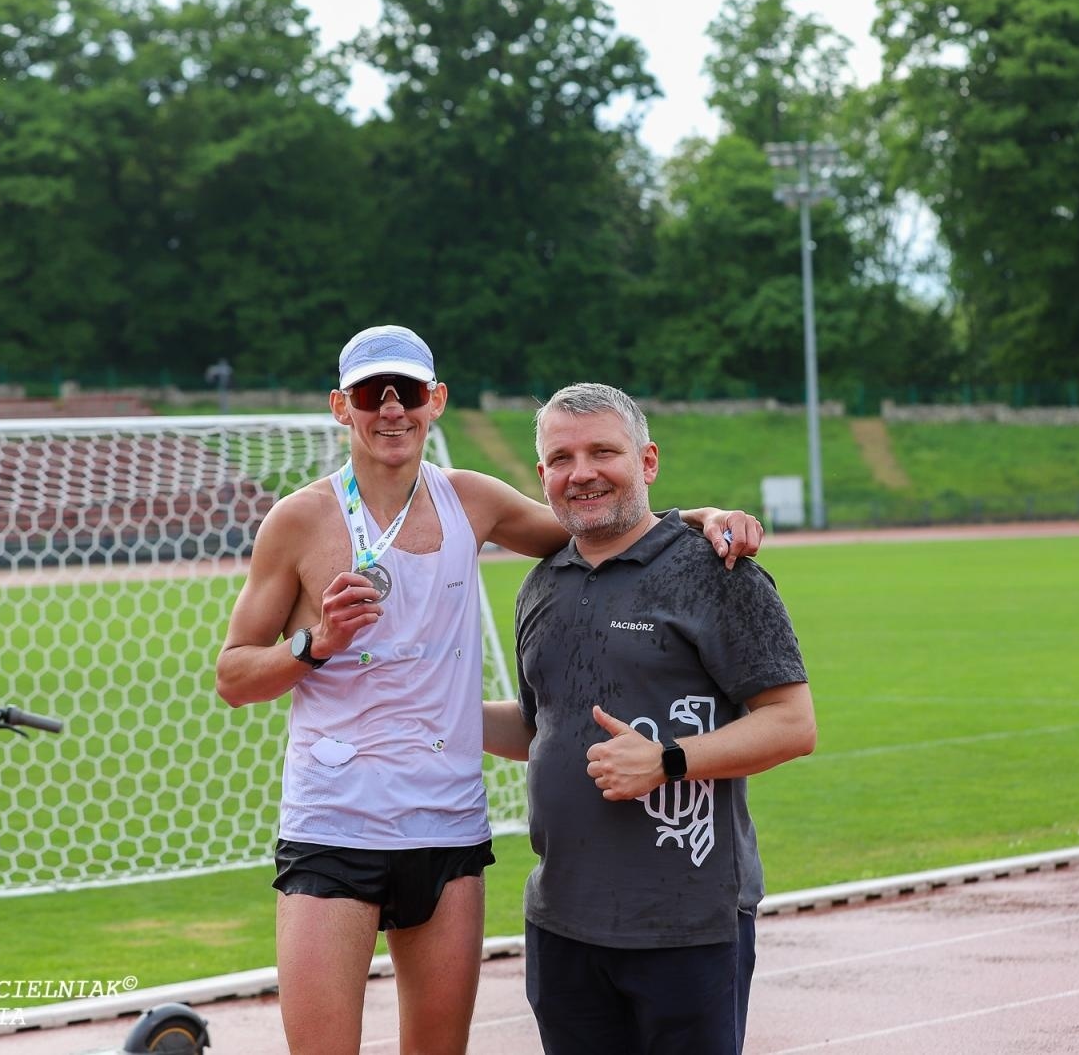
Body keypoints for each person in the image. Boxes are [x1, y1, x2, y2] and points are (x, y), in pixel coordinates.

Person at [214, 328, 763, 1055]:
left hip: (446, 824)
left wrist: (699, 519)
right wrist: (315, 643)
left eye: (407, 392)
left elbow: (599, 525)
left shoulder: (470, 500)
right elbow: (233, 676)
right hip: (335, 822)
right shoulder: (299, 520)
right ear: (341, 407)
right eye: (370, 395)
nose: (390, 409)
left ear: (435, 401)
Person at [483, 381, 816, 1055]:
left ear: (648, 461)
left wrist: (668, 761)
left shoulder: (717, 570)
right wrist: (429, 713)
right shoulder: (541, 584)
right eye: (561, 458)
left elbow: (791, 723)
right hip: (562, 922)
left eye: (603, 452)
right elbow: (540, 727)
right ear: (542, 474)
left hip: (687, 922)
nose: (582, 473)